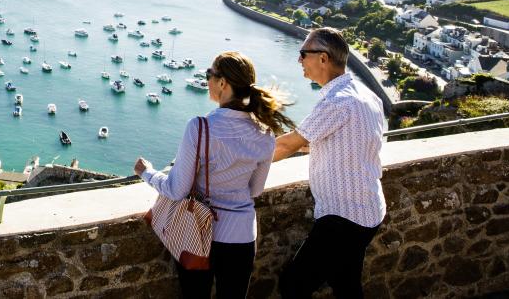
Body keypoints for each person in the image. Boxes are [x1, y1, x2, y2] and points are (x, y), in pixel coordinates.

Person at [135, 51, 295, 298]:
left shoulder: (200, 128)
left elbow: (177, 189)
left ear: (223, 83)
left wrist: (147, 173)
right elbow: (255, 190)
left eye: (209, 74)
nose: (206, 79)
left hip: (200, 234)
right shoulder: (265, 133)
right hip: (242, 237)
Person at [274, 27, 386, 299]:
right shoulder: (366, 94)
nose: (299, 60)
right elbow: (334, 140)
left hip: (343, 217)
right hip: (368, 210)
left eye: (303, 54)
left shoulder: (337, 102)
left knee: (293, 285)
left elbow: (289, 144)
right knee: (345, 283)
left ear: (323, 58)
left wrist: (240, 161)